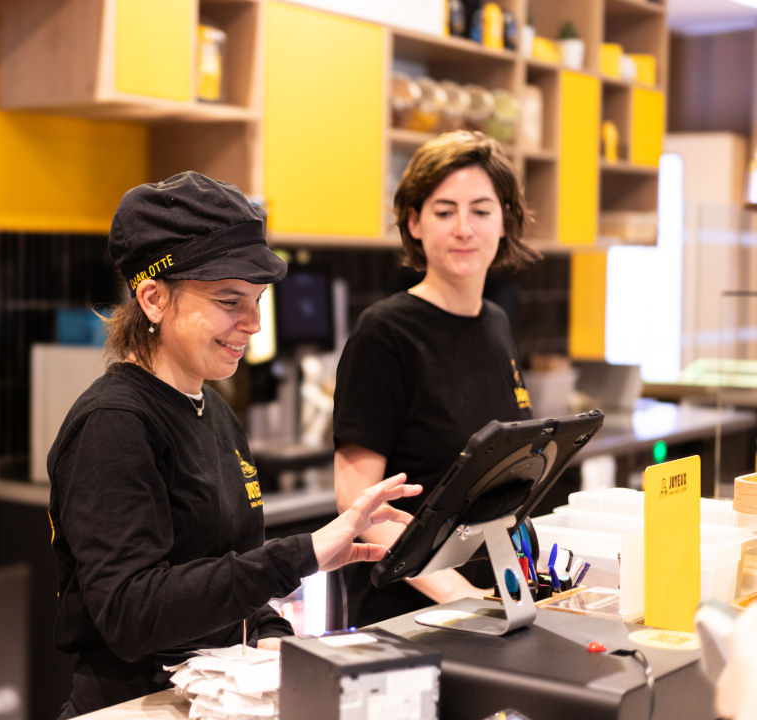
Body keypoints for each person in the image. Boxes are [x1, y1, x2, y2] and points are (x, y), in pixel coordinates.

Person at [48, 171, 420, 718]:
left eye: (258, 299)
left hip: (214, 698)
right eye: (230, 301)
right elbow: (131, 613)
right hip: (138, 705)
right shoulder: (114, 424)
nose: (253, 323)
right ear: (152, 298)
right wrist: (302, 554)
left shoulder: (214, 408)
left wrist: (273, 638)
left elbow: (230, 573)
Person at [332, 131, 541, 629]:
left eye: (481, 210)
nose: (464, 229)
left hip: (493, 607)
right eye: (444, 211)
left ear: (505, 222)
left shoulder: (495, 323)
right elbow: (359, 504)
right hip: (409, 620)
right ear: (414, 222)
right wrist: (460, 597)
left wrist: (499, 595)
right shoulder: (385, 332)